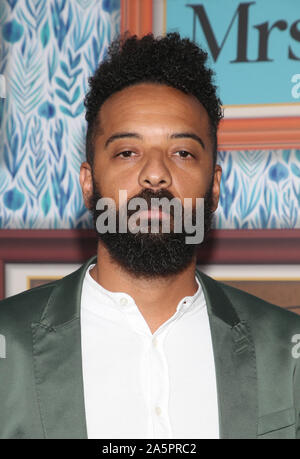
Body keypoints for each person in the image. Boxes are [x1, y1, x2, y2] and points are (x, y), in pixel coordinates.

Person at [0, 32, 299, 440]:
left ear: (214, 187)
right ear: (89, 183)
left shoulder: (287, 351)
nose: (155, 174)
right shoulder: (7, 346)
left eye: (182, 153)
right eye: (127, 152)